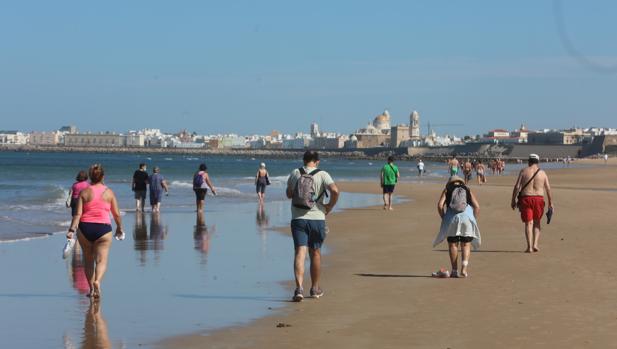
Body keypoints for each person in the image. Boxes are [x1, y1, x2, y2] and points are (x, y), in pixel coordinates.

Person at [286, 150, 339, 302]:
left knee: (300, 252)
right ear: (317, 161)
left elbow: (289, 194)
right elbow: (335, 190)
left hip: (298, 218)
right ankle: (315, 288)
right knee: (315, 252)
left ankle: (299, 288)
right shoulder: (323, 174)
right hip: (317, 218)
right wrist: (329, 206)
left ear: (303, 160)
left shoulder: (296, 172)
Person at [67, 164, 124, 299]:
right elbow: (116, 214)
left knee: (88, 261)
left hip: (85, 228)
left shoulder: (84, 192)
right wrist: (119, 227)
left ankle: (92, 289)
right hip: (103, 229)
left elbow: (77, 214)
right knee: (101, 260)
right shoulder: (109, 192)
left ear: (90, 177)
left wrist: (71, 229)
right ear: (103, 176)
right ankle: (98, 281)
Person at [433, 176, 481, 278]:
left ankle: (454, 271)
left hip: (451, 218)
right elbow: (477, 206)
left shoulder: (447, 190)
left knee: (453, 244)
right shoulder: (467, 189)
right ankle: (464, 269)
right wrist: (473, 220)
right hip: (467, 218)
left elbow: (440, 205)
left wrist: (444, 217)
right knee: (466, 244)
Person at [511, 154, 554, 253]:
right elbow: (548, 188)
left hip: (526, 198)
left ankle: (529, 247)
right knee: (537, 221)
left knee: (528, 223)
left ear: (529, 161)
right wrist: (550, 203)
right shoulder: (543, 173)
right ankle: (535, 244)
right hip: (539, 199)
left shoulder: (523, 171)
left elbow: (517, 186)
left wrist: (513, 200)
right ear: (537, 162)